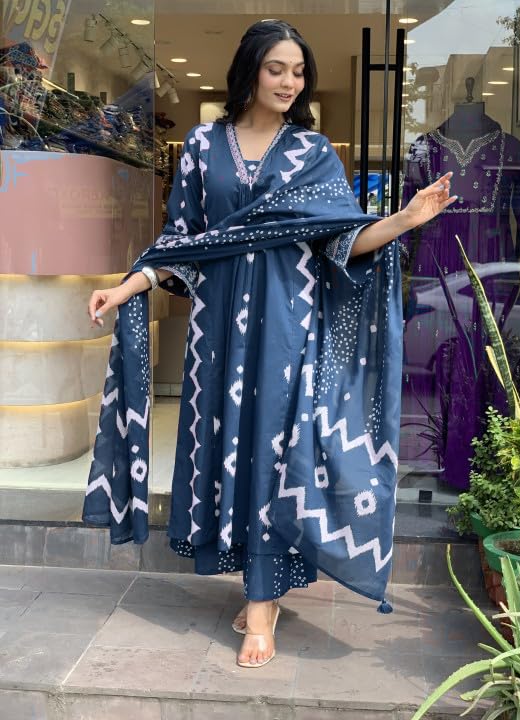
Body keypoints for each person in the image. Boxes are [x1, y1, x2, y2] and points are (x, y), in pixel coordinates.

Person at [86, 19, 455, 669]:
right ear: (250, 70)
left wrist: (403, 219)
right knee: (229, 451)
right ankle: (261, 587)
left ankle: (261, 604)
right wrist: (126, 288)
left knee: (272, 455)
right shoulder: (202, 146)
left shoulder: (312, 153)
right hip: (216, 335)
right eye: (276, 68)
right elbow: (183, 243)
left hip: (288, 330)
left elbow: (343, 241)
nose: (289, 82)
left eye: (299, 72)